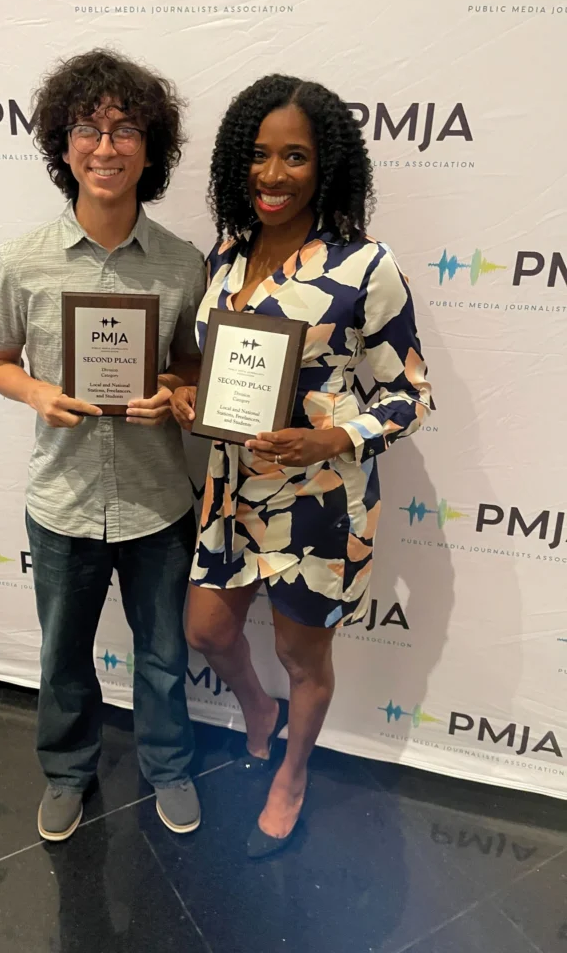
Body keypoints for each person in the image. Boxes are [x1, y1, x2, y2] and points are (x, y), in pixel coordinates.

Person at [171, 75, 432, 858]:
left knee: (299, 653)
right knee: (208, 629)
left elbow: (411, 394)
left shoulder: (365, 267)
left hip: (319, 500)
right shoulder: (226, 254)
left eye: (294, 157)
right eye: (258, 155)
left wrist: (331, 438)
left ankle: (292, 771)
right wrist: (188, 397)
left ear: (327, 167)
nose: (273, 175)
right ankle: (257, 707)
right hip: (230, 490)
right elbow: (206, 365)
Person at [0, 49, 205, 842]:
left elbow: (189, 363)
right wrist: (39, 392)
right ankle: (67, 773)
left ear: (153, 147)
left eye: (125, 129)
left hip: (157, 502)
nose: (105, 147)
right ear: (61, 144)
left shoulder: (183, 264)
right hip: (64, 501)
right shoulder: (21, 260)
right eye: (87, 128)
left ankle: (169, 766)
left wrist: (175, 394)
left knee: (165, 657)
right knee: (63, 663)